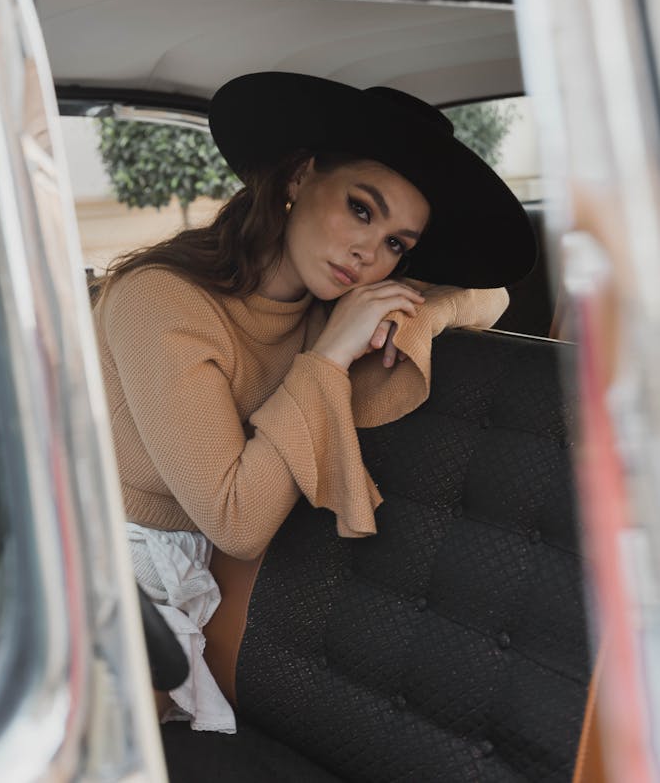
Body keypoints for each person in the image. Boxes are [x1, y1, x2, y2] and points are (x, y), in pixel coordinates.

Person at [94, 72, 536, 733]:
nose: (369, 253)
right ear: (298, 179)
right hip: (97, 558)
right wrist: (329, 355)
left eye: (397, 245)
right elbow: (237, 520)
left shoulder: (325, 306)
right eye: (362, 209)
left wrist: (420, 309)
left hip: (182, 580)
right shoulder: (164, 299)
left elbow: (492, 293)